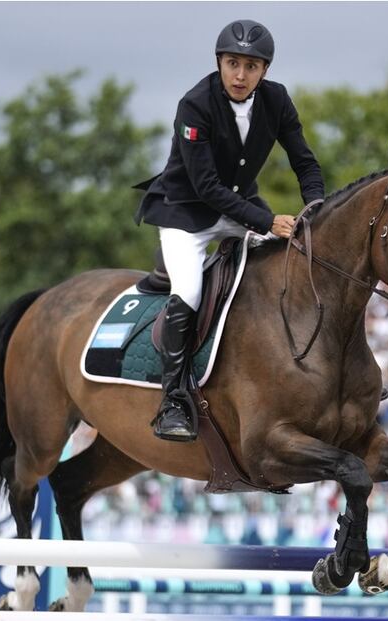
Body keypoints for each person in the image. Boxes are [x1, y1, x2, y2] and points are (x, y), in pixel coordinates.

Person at [134, 19, 325, 442]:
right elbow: (205, 187)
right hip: (186, 214)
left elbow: (305, 163)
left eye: (251, 67)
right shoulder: (195, 105)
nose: (240, 75)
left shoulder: (276, 100)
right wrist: (266, 221)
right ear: (219, 62)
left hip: (239, 209)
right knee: (190, 290)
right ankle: (174, 400)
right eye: (232, 63)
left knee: (292, 264)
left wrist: (315, 208)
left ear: (265, 70)